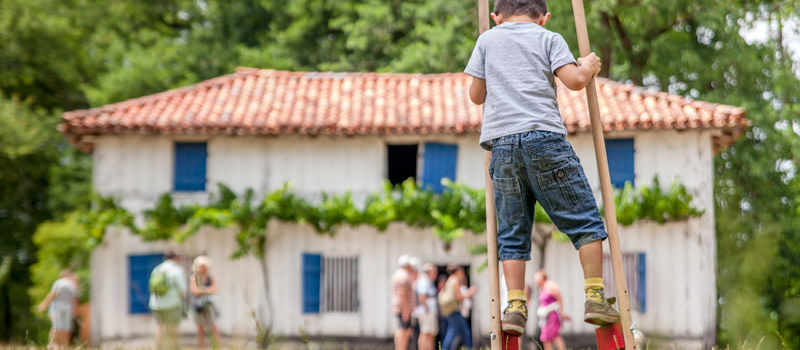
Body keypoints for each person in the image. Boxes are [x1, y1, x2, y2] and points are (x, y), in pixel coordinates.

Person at [464, 0, 621, 336]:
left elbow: (476, 95)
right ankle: (595, 295)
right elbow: (576, 80)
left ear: (497, 16)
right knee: (585, 221)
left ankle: (516, 306)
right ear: (544, 17)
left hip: (501, 148)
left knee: (511, 232)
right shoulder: (548, 38)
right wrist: (590, 65)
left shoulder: (487, 40)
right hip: (544, 139)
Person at [149, 250, 187, 350]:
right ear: (175, 258)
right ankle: (173, 347)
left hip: (156, 303)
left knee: (160, 325)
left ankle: (158, 347)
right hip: (172, 303)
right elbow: (182, 289)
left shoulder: (157, 269)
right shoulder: (177, 269)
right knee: (173, 326)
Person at [527, 270, 569, 350]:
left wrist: (562, 312)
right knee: (546, 338)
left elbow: (560, 299)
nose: (535, 280)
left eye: (537, 278)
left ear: (542, 277)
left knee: (554, 335)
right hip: (545, 317)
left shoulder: (551, 285)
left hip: (553, 315)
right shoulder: (541, 288)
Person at [38, 269, 79, 350]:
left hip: (57, 307)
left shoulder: (59, 282)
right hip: (68, 308)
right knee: (66, 327)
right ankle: (63, 345)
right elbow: (75, 299)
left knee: (56, 326)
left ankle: (52, 345)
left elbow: (53, 294)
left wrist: (44, 304)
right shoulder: (73, 285)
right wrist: (76, 310)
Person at [439, 265, 476, 350]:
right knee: (454, 333)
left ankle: (468, 347)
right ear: (457, 271)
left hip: (453, 311)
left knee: (462, 332)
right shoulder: (455, 280)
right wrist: (470, 293)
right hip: (455, 311)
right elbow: (459, 297)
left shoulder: (450, 280)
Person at [190, 256, 221, 349]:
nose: (203, 268)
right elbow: (194, 290)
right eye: (201, 266)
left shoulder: (210, 277)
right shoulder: (194, 277)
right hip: (198, 306)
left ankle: (217, 346)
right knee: (200, 328)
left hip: (208, 305)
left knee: (213, 326)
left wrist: (202, 290)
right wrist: (207, 290)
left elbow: (215, 289)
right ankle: (201, 347)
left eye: (204, 265)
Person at [391, 255, 416, 350]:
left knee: (403, 329)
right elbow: (402, 293)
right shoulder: (404, 275)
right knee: (403, 330)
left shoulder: (398, 274)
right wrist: (406, 310)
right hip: (403, 308)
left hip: (400, 307)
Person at [415, 263, 439, 350]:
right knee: (425, 333)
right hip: (426, 312)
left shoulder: (428, 281)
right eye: (434, 272)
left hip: (429, 311)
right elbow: (422, 297)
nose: (435, 274)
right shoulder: (424, 281)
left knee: (430, 334)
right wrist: (427, 309)